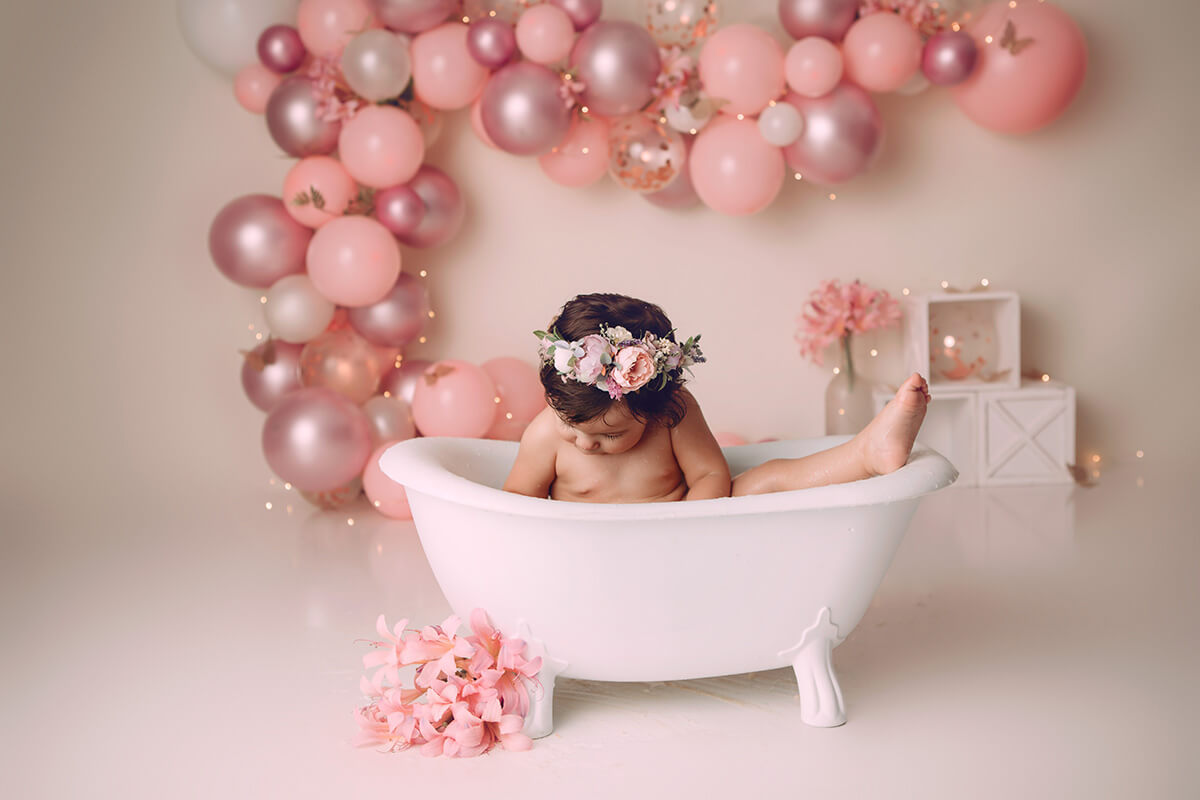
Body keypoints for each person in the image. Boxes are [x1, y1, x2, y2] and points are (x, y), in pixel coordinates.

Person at [502, 293, 930, 503]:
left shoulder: (674, 414)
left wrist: (690, 524)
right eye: (571, 426)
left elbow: (710, 475)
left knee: (768, 480)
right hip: (584, 554)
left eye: (610, 434)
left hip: (683, 538)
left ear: (654, 410)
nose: (585, 443)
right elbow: (516, 506)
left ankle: (868, 453)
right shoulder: (546, 434)